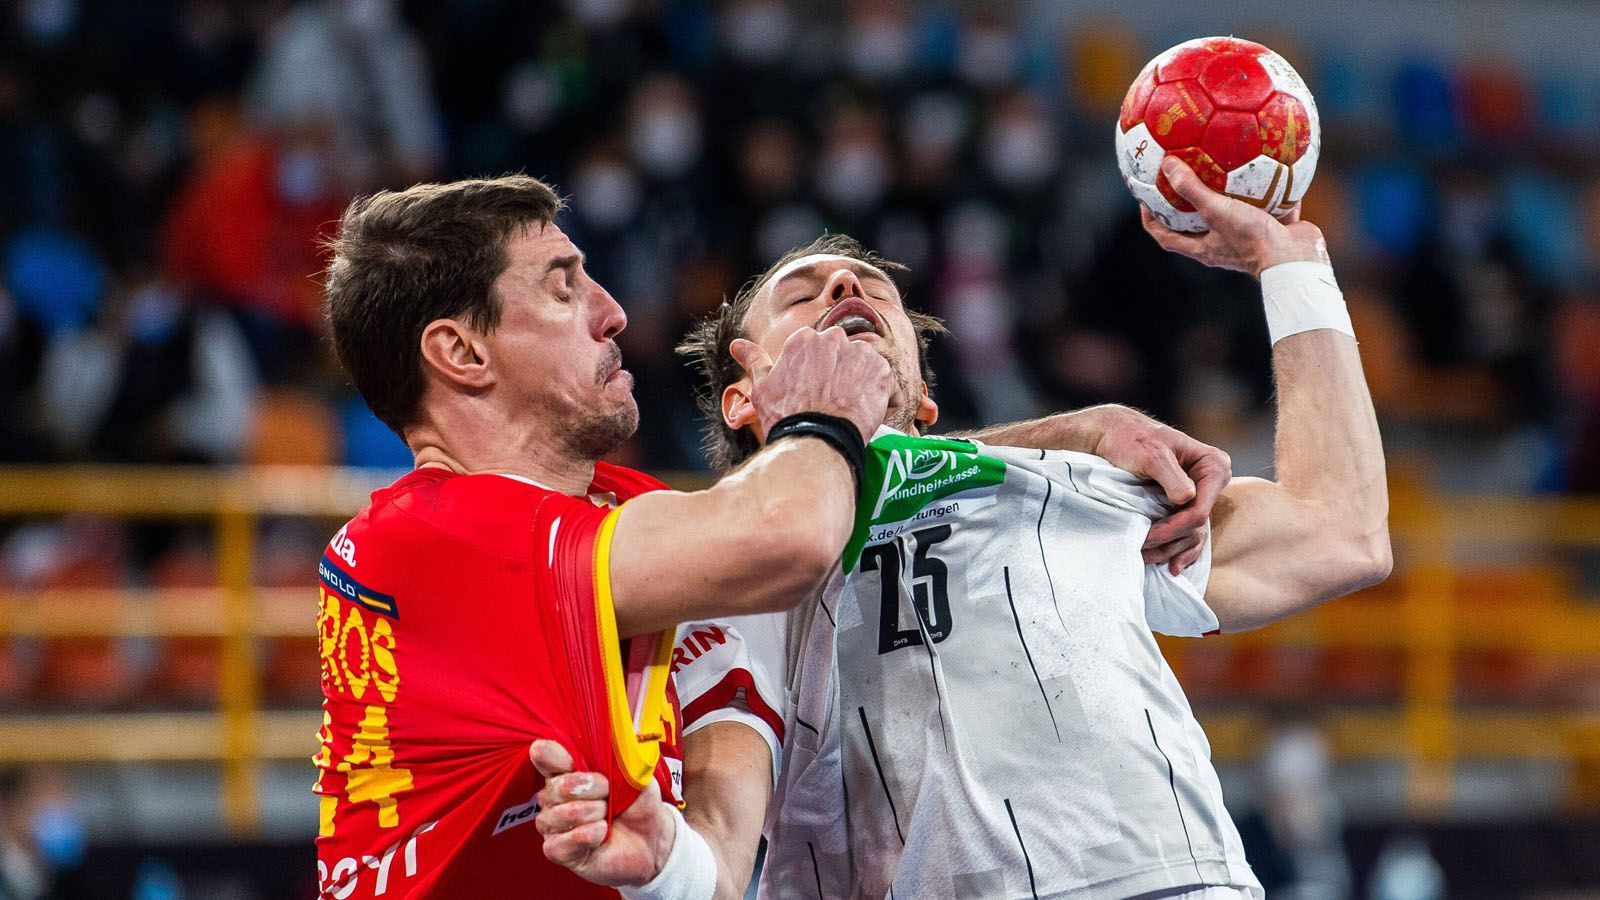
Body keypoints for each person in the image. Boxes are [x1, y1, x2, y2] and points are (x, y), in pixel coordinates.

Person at [311, 174, 1226, 898]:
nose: (613, 310)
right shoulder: (427, 537)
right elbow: (785, 529)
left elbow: (709, 862)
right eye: (563, 288)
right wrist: (823, 417)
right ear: (461, 353)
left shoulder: (629, 524)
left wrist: (1067, 433)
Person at [530, 155, 1391, 900]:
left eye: (875, 291)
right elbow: (719, 835)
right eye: (802, 295)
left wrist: (1291, 261)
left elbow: (1339, 531)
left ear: (926, 397)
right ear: (744, 400)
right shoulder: (723, 564)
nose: (845, 287)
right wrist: (667, 869)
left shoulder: (1070, 483)